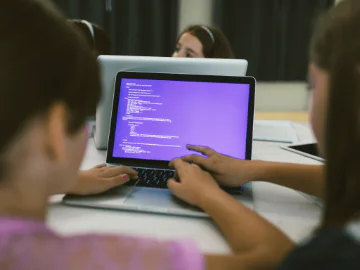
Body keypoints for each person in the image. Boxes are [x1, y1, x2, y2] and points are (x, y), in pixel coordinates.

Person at [0, 0, 291, 269]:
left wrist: (60, 179)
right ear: (55, 132)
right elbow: (279, 258)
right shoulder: (102, 260)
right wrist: (209, 195)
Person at [169, 0, 360, 268]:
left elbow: (276, 260)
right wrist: (250, 169)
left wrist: (208, 194)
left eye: (312, 84)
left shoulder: (338, 255)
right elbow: (350, 180)